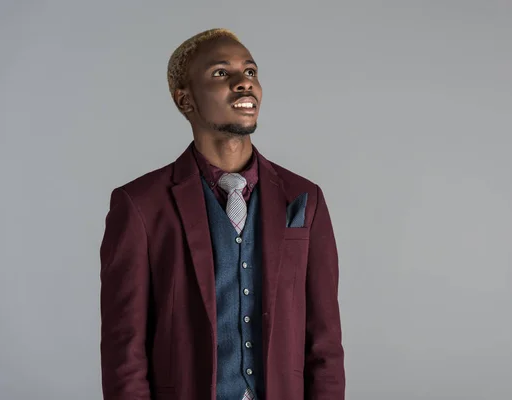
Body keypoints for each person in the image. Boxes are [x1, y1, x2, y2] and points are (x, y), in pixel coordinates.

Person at [99, 28, 345, 400]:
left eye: (250, 72)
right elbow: (124, 348)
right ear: (185, 100)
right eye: (221, 73)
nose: (244, 83)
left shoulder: (305, 197)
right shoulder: (139, 205)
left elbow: (324, 341)